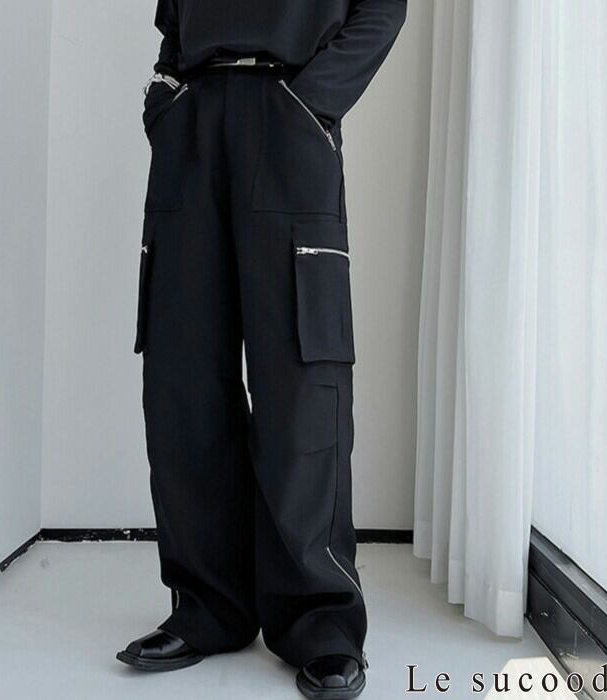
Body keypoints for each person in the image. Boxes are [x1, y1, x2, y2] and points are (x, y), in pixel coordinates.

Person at [117, 2, 407, 697]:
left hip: (292, 115)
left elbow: (382, 8)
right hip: (193, 124)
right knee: (182, 375)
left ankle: (321, 621)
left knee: (303, 381)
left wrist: (310, 103)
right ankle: (207, 607)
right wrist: (167, 94)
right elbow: (172, 18)